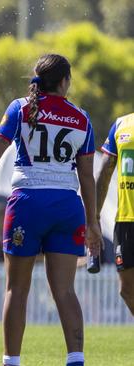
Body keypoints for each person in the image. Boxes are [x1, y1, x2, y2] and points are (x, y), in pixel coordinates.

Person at [0, 54, 101, 366]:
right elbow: (87, 178)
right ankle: (76, 359)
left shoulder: (20, 108)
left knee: (16, 290)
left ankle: (12, 362)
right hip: (67, 206)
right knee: (65, 291)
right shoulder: (82, 118)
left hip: (27, 205)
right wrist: (93, 222)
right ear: (65, 82)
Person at [96, 111, 134, 316]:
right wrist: (94, 216)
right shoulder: (121, 124)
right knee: (126, 289)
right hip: (126, 220)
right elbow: (104, 171)